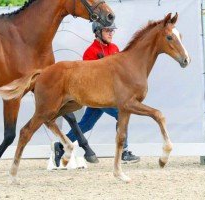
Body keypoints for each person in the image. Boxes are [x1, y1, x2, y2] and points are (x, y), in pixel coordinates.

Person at [52, 22, 140, 167]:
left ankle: (60, 146)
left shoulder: (115, 48)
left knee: (86, 125)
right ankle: (124, 151)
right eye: (108, 30)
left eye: (112, 31)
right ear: (98, 32)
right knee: (121, 113)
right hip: (96, 96)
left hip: (110, 95)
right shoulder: (90, 52)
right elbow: (88, 79)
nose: (111, 33)